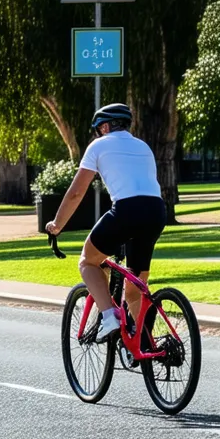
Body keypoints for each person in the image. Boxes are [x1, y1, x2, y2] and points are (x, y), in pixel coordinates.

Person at [45, 103, 166, 342]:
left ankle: (109, 317)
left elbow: (76, 193)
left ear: (105, 126)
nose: (98, 133)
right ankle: (144, 345)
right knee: (134, 289)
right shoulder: (143, 147)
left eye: (98, 129)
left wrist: (57, 224)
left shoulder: (98, 146)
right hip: (156, 212)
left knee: (88, 262)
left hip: (126, 211)